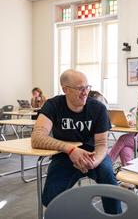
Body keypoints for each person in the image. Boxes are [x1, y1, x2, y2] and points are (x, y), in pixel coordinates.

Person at [31, 69, 121, 214]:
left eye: (87, 87)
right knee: (50, 198)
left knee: (108, 177)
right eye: (80, 88)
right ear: (65, 89)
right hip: (65, 155)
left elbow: (102, 144)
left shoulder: (98, 109)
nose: (85, 92)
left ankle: (115, 215)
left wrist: (93, 162)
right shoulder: (53, 105)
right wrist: (71, 150)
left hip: (93, 154)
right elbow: (37, 138)